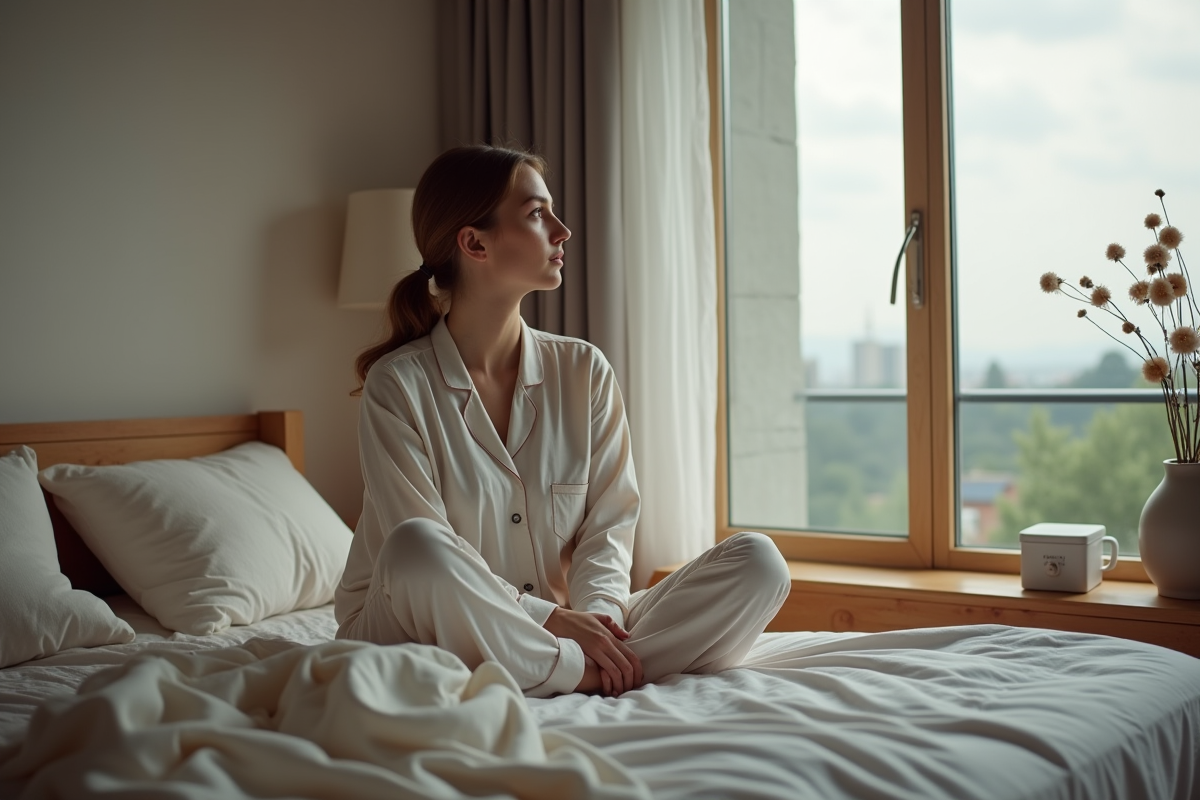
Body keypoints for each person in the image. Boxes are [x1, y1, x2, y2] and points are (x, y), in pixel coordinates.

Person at [335, 144, 791, 698]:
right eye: (535, 213)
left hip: (567, 627)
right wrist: (549, 620)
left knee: (760, 563)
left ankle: (581, 668)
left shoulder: (582, 370)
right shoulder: (397, 385)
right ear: (474, 242)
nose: (563, 230)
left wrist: (598, 624)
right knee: (416, 548)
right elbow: (426, 554)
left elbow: (608, 529)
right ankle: (591, 674)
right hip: (411, 622)